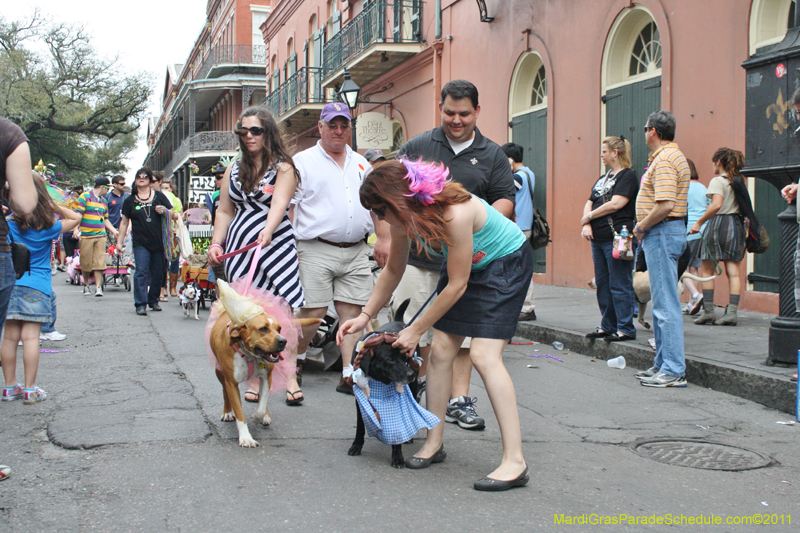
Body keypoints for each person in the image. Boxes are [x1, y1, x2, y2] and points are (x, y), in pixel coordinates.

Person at [338, 159, 532, 491]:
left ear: (397, 198)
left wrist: (414, 331)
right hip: (470, 266)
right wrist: (365, 316)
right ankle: (434, 442)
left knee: (484, 355)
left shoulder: (455, 212)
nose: (379, 219)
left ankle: (515, 461)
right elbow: (393, 270)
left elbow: (457, 285)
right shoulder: (403, 217)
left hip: (504, 265)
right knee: (441, 352)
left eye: (379, 210)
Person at [394, 80, 516, 430]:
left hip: (470, 258)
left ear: (477, 111)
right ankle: (411, 391)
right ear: (440, 108)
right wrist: (389, 238)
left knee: (459, 335)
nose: (456, 120)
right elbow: (398, 195)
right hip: (422, 259)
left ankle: (458, 400)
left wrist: (483, 227)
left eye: (464, 113)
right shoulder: (418, 146)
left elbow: (505, 199)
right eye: (450, 112)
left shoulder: (492, 154)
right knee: (413, 328)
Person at [207, 106, 305, 406]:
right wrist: (215, 243)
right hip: (240, 243)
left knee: (280, 312)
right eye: (243, 132)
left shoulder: (283, 167)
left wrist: (268, 230)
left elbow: (279, 204)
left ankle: (289, 376)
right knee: (248, 313)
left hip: (274, 244)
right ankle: (252, 376)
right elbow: (225, 210)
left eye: (256, 131)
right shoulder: (234, 168)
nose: (249, 137)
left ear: (268, 133)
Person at [291, 102, 375, 396]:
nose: (338, 131)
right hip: (315, 247)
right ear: (321, 127)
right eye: (332, 125)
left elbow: (377, 207)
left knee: (353, 314)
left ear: (350, 129)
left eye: (344, 125)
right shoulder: (302, 162)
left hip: (356, 249)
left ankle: (348, 372)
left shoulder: (363, 163)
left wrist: (385, 240)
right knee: (312, 311)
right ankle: (296, 363)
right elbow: (288, 207)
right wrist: (291, 246)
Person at [2, 175, 81, 404]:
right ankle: (29, 389)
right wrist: (52, 205)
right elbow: (75, 217)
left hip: (11, 283)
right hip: (37, 285)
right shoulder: (49, 228)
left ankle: (9, 387)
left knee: (9, 338)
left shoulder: (8, 224)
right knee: (31, 338)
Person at [633, 111, 691, 388]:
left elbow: (665, 204)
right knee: (661, 302)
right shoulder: (668, 157)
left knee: (665, 303)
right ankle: (662, 364)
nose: (644, 133)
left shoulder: (666, 159)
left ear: (652, 131)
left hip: (662, 232)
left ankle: (673, 369)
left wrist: (641, 226)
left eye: (645, 128)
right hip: (665, 232)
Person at [580, 136, 639, 342]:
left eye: (604, 151)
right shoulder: (602, 179)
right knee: (603, 283)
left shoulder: (628, 177)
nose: (601, 155)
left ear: (615, 153)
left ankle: (625, 328)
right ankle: (607, 325)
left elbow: (616, 203)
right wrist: (586, 223)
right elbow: (590, 201)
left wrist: (590, 217)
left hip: (619, 237)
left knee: (620, 282)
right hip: (598, 239)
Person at [689, 148, 747, 326]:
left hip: (718, 225)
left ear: (719, 162)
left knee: (707, 270)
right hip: (736, 226)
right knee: (734, 273)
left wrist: (699, 222)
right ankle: (731, 313)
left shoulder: (717, 181)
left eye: (714, 161)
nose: (713, 165)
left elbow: (716, 205)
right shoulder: (739, 180)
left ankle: (709, 312)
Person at [118, 167, 173, 316]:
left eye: (145, 176)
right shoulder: (129, 200)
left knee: (158, 273)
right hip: (140, 242)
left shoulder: (159, 196)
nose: (141, 178)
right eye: (138, 176)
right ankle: (140, 304)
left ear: (150, 181)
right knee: (141, 272)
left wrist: (165, 211)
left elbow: (174, 214)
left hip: (159, 241)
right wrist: (119, 242)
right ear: (135, 181)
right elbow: (124, 223)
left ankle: (153, 300)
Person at [501, 142, 537, 321]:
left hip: (519, 228)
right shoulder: (529, 173)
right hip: (526, 226)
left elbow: (502, 189)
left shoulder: (518, 177)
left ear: (510, 159)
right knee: (521, 267)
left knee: (520, 269)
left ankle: (527, 307)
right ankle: (525, 305)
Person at [74, 177, 118, 297]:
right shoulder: (85, 196)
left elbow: (105, 219)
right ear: (103, 187)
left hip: (100, 235)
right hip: (86, 235)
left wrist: (114, 231)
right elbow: (79, 214)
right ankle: (86, 284)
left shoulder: (104, 201)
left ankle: (98, 287)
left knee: (99, 261)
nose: (108, 191)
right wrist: (75, 228)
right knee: (86, 261)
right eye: (108, 188)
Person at [682, 159, 709, 315]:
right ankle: (693, 303)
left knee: (680, 270)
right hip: (702, 231)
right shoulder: (702, 187)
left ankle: (696, 295)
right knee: (694, 267)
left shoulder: (684, 187)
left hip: (687, 230)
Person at [160, 179, 183, 298]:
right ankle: (163, 286)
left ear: (171, 189)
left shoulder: (176, 199)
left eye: (167, 188)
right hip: (162, 233)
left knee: (175, 258)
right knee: (163, 260)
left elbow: (180, 216)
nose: (165, 190)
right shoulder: (157, 197)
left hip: (174, 233)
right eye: (163, 188)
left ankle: (173, 287)